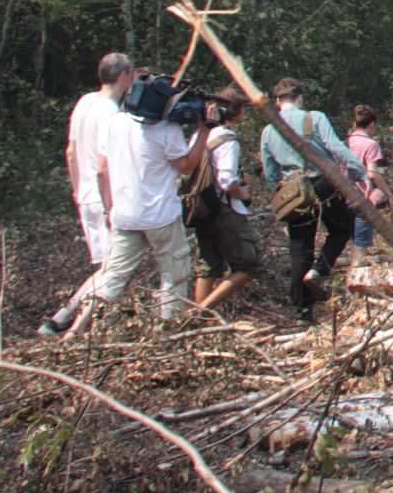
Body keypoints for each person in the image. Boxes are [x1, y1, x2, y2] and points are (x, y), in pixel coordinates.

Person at [66, 70, 216, 332]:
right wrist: (204, 132)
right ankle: (166, 331)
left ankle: (76, 329)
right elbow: (187, 167)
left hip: (124, 215)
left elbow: (102, 169)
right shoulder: (166, 130)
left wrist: (109, 209)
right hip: (161, 217)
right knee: (174, 273)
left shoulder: (116, 122)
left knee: (111, 277)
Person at [38, 52, 133, 336]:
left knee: (105, 268)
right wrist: (109, 207)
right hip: (103, 199)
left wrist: (77, 190)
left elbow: (70, 153)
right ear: (123, 76)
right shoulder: (111, 113)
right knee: (114, 270)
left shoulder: (84, 103)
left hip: (85, 196)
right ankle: (71, 326)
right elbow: (104, 167)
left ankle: (60, 321)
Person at [261, 77, 364, 325]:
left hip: (293, 189)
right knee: (342, 229)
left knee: (300, 249)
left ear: (277, 101)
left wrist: (283, 180)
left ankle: (302, 313)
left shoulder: (268, 130)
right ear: (300, 98)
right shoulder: (314, 118)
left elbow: (269, 171)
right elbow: (335, 148)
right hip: (322, 182)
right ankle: (320, 270)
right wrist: (358, 169)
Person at [190, 88, 263, 315]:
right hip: (223, 211)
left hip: (201, 209)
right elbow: (227, 180)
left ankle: (198, 322)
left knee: (208, 267)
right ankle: (202, 311)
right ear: (235, 110)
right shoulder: (228, 138)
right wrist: (243, 193)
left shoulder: (199, 135)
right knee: (250, 265)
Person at [347, 106, 390, 254]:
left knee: (350, 237)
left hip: (343, 195)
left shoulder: (344, 142)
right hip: (363, 197)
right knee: (360, 246)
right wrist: (388, 193)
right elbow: (372, 173)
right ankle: (358, 265)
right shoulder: (371, 144)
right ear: (372, 124)